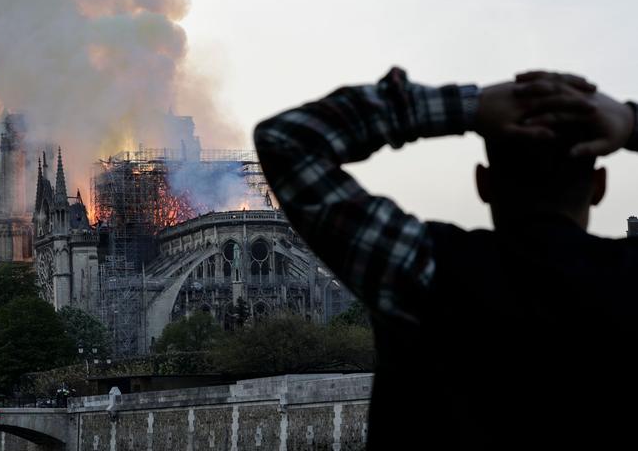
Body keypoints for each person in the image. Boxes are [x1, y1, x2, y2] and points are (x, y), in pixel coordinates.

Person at [253, 67, 638, 449]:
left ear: (482, 183)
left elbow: (286, 139)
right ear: (600, 186)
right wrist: (630, 121)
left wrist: (467, 107)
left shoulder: (422, 267)